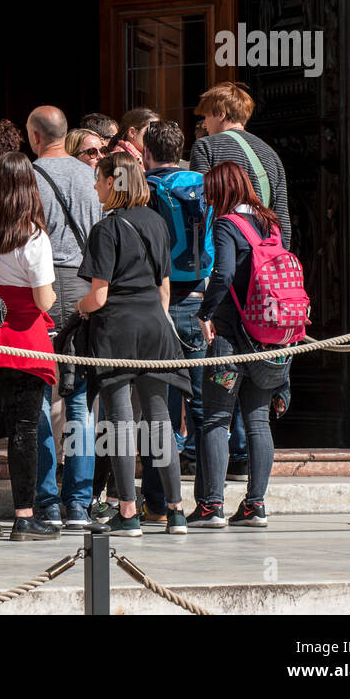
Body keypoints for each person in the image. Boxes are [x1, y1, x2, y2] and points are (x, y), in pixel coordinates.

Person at [76, 152, 191, 536]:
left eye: (99, 179)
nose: (96, 186)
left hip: (117, 332)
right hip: (156, 328)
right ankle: (176, 510)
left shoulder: (105, 229)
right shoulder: (157, 222)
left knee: (121, 424)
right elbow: (164, 288)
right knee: (160, 421)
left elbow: (99, 296)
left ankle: (128, 511)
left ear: (114, 182)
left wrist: (78, 307)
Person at [0, 152, 62, 541]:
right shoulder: (33, 233)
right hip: (25, 339)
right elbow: (44, 301)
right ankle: (23, 516)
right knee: (25, 430)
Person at [192, 162, 292, 529]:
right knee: (258, 421)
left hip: (231, 341)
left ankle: (211, 507)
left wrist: (207, 313)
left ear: (220, 191)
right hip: (267, 339)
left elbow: (224, 273)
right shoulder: (270, 222)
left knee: (217, 419)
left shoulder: (225, 225)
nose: (206, 198)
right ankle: (255, 505)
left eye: (209, 192)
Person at [190, 80, 292, 422]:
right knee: (258, 385)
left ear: (220, 113)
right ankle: (245, 452)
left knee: (222, 374)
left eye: (206, 116)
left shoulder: (207, 147)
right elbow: (283, 220)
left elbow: (201, 212)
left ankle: (219, 449)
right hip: (266, 281)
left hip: (228, 277)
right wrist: (276, 277)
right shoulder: (270, 154)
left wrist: (203, 273)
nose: (203, 124)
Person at [27, 106, 101, 529]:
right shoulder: (92, 175)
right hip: (82, 285)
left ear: (35, 137)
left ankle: (47, 501)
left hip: (40, 285)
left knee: (39, 396)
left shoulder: (29, 176)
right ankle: (78, 501)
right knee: (78, 402)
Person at [141, 120, 209, 522]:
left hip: (158, 301)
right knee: (203, 406)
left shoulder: (143, 188)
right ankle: (208, 500)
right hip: (197, 300)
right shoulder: (202, 184)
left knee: (158, 410)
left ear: (147, 151)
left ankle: (157, 502)